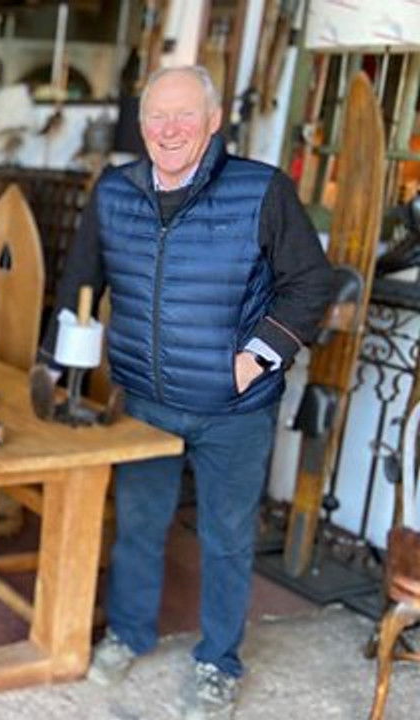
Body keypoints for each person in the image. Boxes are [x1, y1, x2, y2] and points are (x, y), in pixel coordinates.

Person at [39, 65, 335, 719]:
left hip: (235, 410)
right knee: (139, 528)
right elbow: (80, 283)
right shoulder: (114, 192)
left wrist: (257, 358)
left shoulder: (261, 190)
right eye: (157, 116)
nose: (169, 129)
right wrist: (52, 368)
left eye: (184, 116)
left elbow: (312, 282)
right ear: (141, 125)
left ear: (213, 121)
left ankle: (219, 663)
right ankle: (128, 633)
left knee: (226, 538)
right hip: (145, 403)